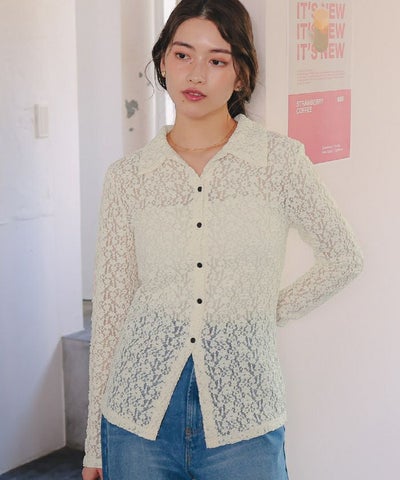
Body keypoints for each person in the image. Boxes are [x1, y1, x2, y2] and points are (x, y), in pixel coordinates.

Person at [82, 0, 363, 479]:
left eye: (217, 60)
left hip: (245, 414)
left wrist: (261, 312)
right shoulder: (129, 177)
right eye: (182, 55)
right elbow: (111, 311)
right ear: (163, 62)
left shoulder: (278, 162)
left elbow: (344, 257)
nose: (196, 74)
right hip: (136, 416)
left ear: (240, 76)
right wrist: (94, 446)